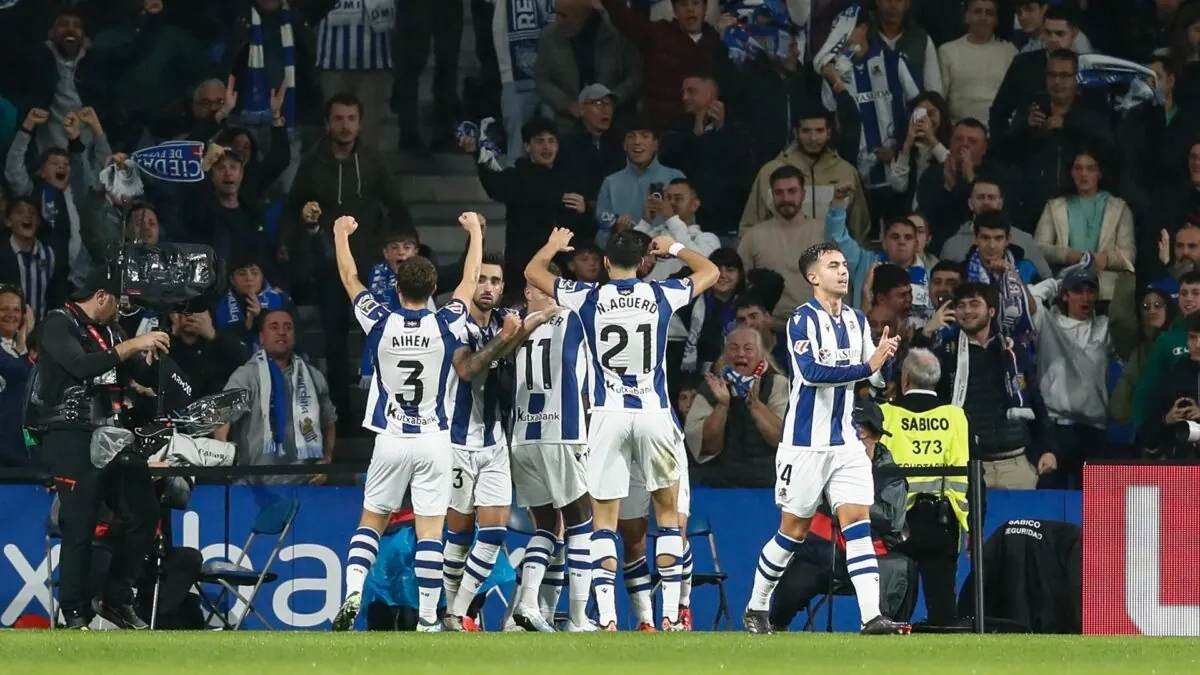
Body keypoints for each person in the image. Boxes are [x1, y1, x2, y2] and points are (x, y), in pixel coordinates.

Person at [525, 226, 719, 631]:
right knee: (667, 517)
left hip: (607, 416)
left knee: (604, 521)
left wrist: (554, 246)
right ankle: (669, 617)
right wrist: (676, 248)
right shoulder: (661, 294)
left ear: (607, 262)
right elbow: (712, 272)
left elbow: (533, 272)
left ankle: (609, 618)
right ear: (644, 262)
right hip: (654, 413)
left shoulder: (586, 296)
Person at [741, 240, 909, 635]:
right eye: (833, 265)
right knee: (793, 532)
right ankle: (756, 605)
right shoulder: (802, 320)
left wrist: (884, 359)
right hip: (805, 445)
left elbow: (873, 377)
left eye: (844, 264)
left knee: (858, 526)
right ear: (813, 277)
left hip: (846, 443)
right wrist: (869, 363)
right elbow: (813, 373)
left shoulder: (855, 320)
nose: (843, 270)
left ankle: (872, 617)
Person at [330, 212, 484, 633]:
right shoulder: (447, 320)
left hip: (391, 437)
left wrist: (341, 234)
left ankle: (353, 594)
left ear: (396, 288)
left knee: (372, 521)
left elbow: (349, 277)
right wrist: (474, 232)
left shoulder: (379, 320)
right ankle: (427, 620)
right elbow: (469, 281)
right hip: (434, 439)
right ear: (434, 289)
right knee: (431, 530)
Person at [30, 267, 170, 629]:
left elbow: (136, 372)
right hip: (70, 435)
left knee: (144, 513)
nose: (122, 308)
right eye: (117, 300)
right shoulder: (57, 323)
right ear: (101, 296)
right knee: (80, 522)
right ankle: (74, 612)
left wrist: (150, 362)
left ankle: (116, 598)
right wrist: (132, 346)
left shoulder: (111, 330)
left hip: (112, 435)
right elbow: (81, 366)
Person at [441, 250, 550, 632]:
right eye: (482, 279)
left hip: (494, 443)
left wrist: (533, 321)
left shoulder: (499, 326)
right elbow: (468, 369)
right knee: (458, 535)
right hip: (455, 443)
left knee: (493, 531)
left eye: (495, 281)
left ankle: (458, 612)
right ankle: (450, 612)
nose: (488, 287)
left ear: (504, 288)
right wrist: (511, 335)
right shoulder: (452, 322)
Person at [769, 397, 916, 631]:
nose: (853, 442)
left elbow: (892, 520)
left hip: (874, 554)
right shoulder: (820, 462)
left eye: (859, 434)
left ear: (876, 436)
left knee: (901, 569)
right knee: (793, 580)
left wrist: (850, 501)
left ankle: (886, 628)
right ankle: (775, 627)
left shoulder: (890, 474)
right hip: (822, 553)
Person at [507, 265, 596, 632]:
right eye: (540, 285)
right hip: (562, 432)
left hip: (522, 436)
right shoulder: (576, 319)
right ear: (529, 291)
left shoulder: (513, 326)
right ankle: (577, 617)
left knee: (547, 526)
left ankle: (527, 604)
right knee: (582, 522)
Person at [882, 348, 972, 627]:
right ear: (935, 380)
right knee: (943, 609)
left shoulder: (885, 415)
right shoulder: (956, 417)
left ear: (905, 378)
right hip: (941, 522)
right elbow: (971, 476)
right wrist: (971, 525)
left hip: (894, 522)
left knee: (891, 605)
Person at [215, 306, 337, 485]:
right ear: (261, 338)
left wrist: (326, 459)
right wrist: (223, 454)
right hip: (253, 484)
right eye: (274, 327)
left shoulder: (312, 376)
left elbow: (329, 421)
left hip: (303, 483)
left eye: (288, 327)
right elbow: (222, 417)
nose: (282, 332)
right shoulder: (246, 376)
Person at [685, 327, 787, 488]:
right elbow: (706, 447)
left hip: (770, 484)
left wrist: (756, 406)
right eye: (733, 348)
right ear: (725, 355)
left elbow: (782, 440)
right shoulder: (711, 387)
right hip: (719, 485)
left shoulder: (778, 384)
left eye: (748, 349)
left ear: (761, 355)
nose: (740, 354)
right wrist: (722, 406)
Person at [1033, 148, 1136, 302]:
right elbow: (1039, 248)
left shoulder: (1119, 208)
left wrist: (1106, 259)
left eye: (1090, 168)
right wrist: (1069, 255)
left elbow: (1129, 254)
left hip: (1107, 295)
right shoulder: (1055, 206)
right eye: (1078, 168)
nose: (1083, 174)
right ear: (1071, 172)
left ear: (1099, 173)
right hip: (1065, 292)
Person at [937, 0, 1017, 125]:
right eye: (977, 11)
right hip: (960, 131)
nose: (983, 17)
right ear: (966, 17)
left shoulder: (1010, 51)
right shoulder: (947, 51)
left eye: (989, 13)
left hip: (1000, 131)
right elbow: (939, 99)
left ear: (996, 20)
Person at [0, 286, 34, 467]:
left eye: (16, 310)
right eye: (3, 309)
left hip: (17, 432)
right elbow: (22, 374)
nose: (11, 315)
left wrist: (22, 344)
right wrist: (23, 345)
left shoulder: (21, 347)